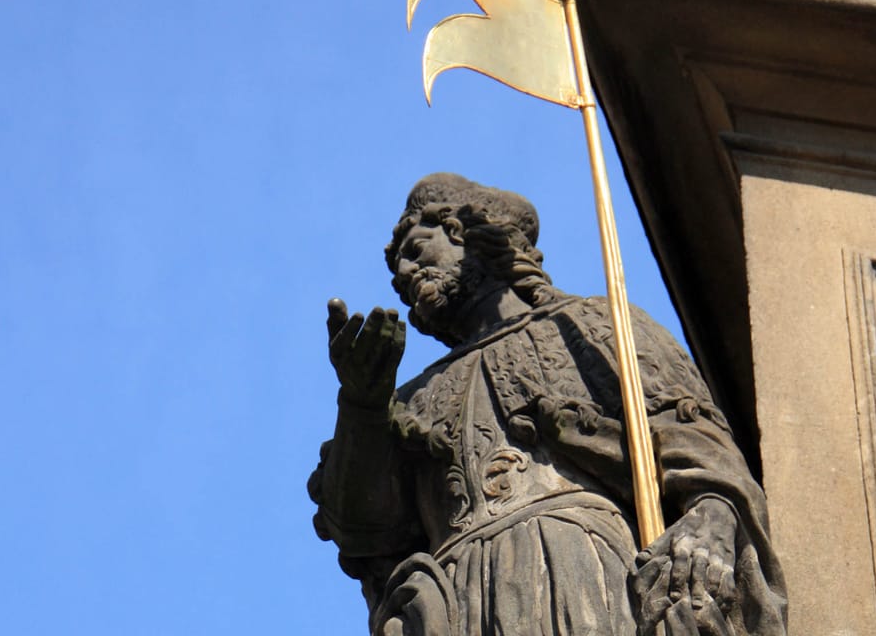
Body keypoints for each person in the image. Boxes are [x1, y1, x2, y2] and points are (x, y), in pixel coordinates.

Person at [308, 174, 787, 635]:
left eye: (417, 251)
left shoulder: (594, 327)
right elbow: (365, 530)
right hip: (457, 602)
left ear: (470, 237)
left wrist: (713, 521)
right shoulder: (415, 396)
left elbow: (704, 454)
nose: (406, 275)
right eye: (399, 271)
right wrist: (362, 403)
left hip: (580, 567)